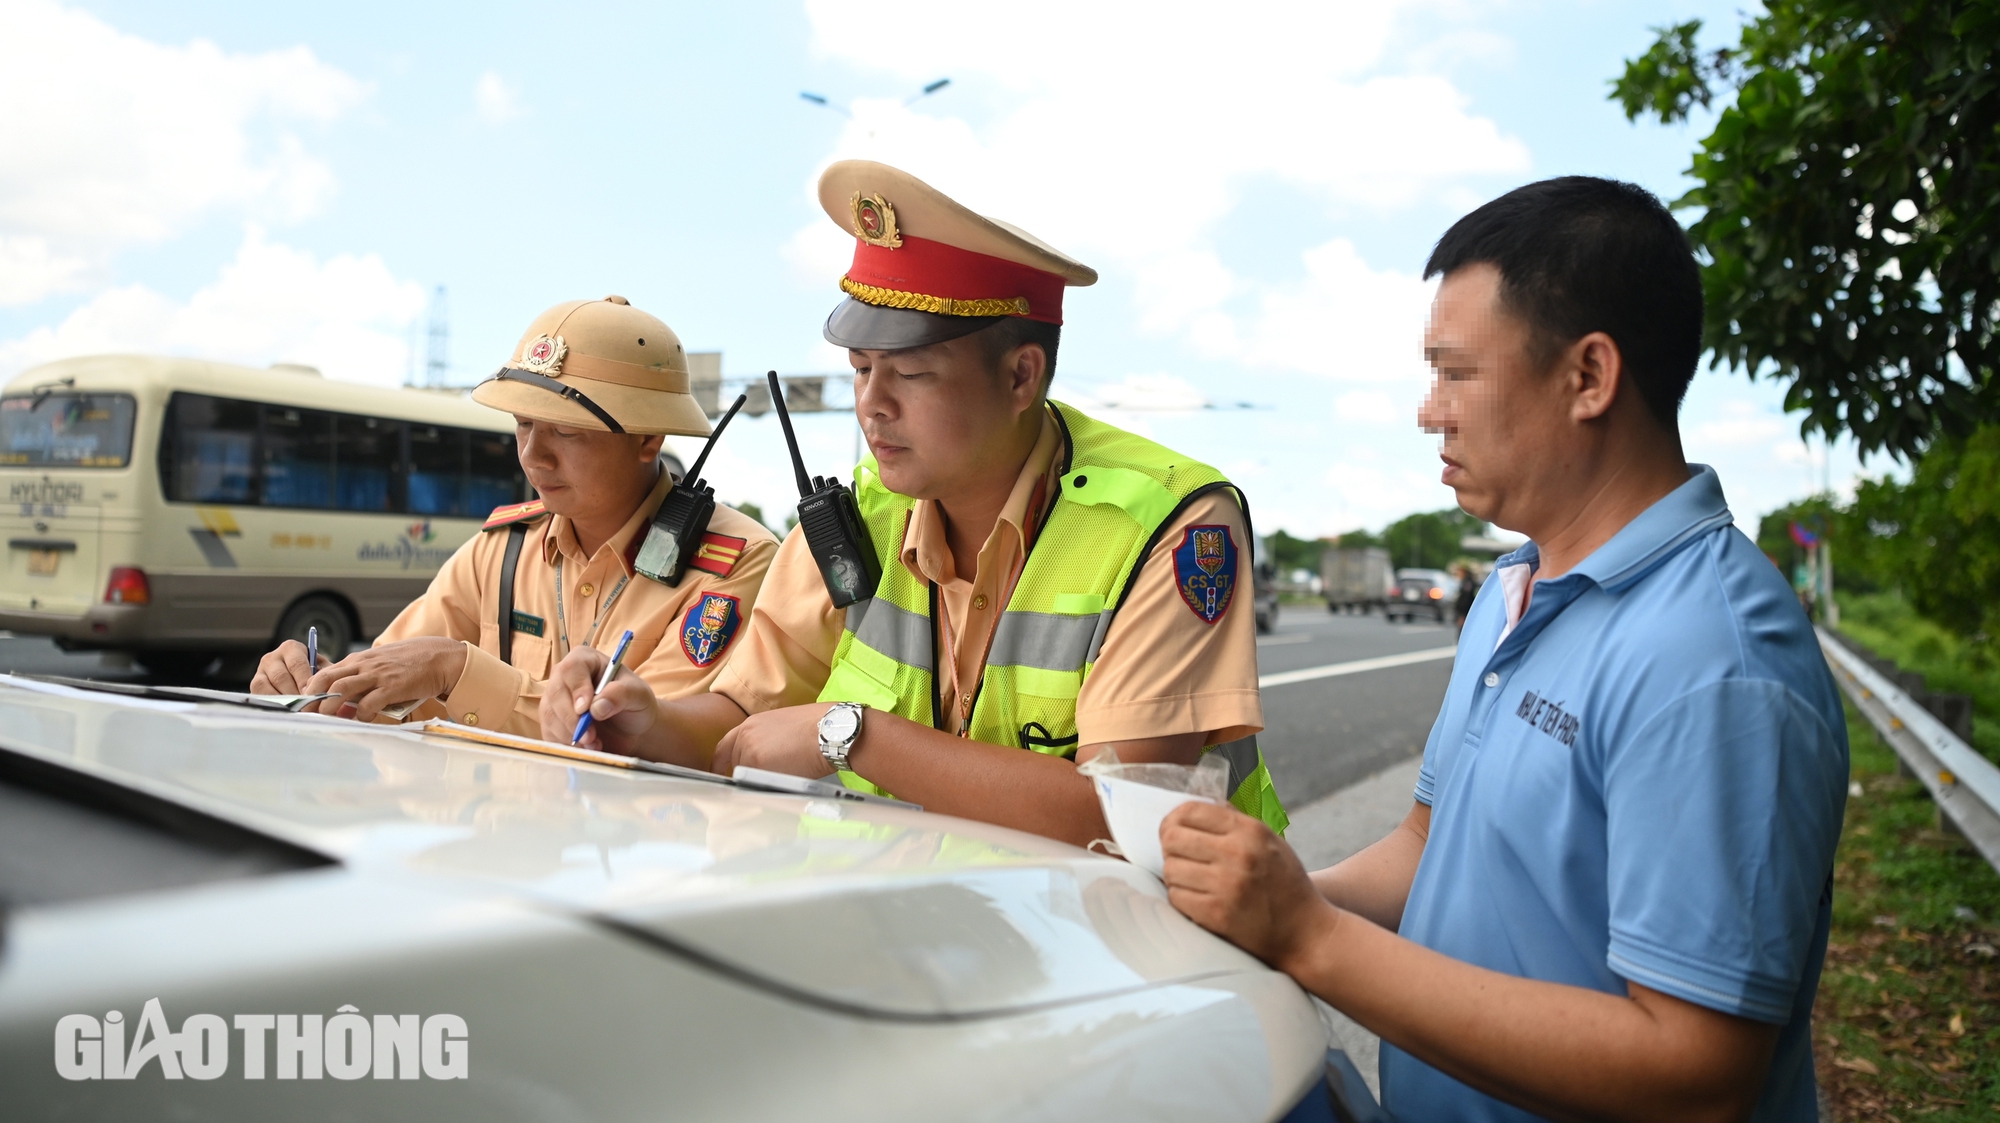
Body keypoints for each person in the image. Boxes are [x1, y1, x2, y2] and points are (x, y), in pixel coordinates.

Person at [1159, 177, 1849, 1121]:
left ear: (1589, 377)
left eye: (1457, 373)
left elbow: (1695, 1074)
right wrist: (1258, 904)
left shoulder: (1712, 662)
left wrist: (1309, 937)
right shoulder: (1513, 589)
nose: (1429, 411)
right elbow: (1427, 845)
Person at [541, 161, 1288, 845]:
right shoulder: (862, 512)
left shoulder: (1167, 523)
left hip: (1126, 937)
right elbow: (744, 719)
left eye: (911, 374)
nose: (872, 404)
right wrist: (645, 722)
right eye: (861, 368)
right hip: (914, 921)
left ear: (1021, 376)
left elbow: (1129, 820)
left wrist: (853, 735)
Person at [251, 296, 778, 733]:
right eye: (523, 424)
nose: (533, 456)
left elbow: (640, 737)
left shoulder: (733, 565)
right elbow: (392, 676)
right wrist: (320, 685)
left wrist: (457, 670)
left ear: (647, 439)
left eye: (565, 431)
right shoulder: (500, 549)